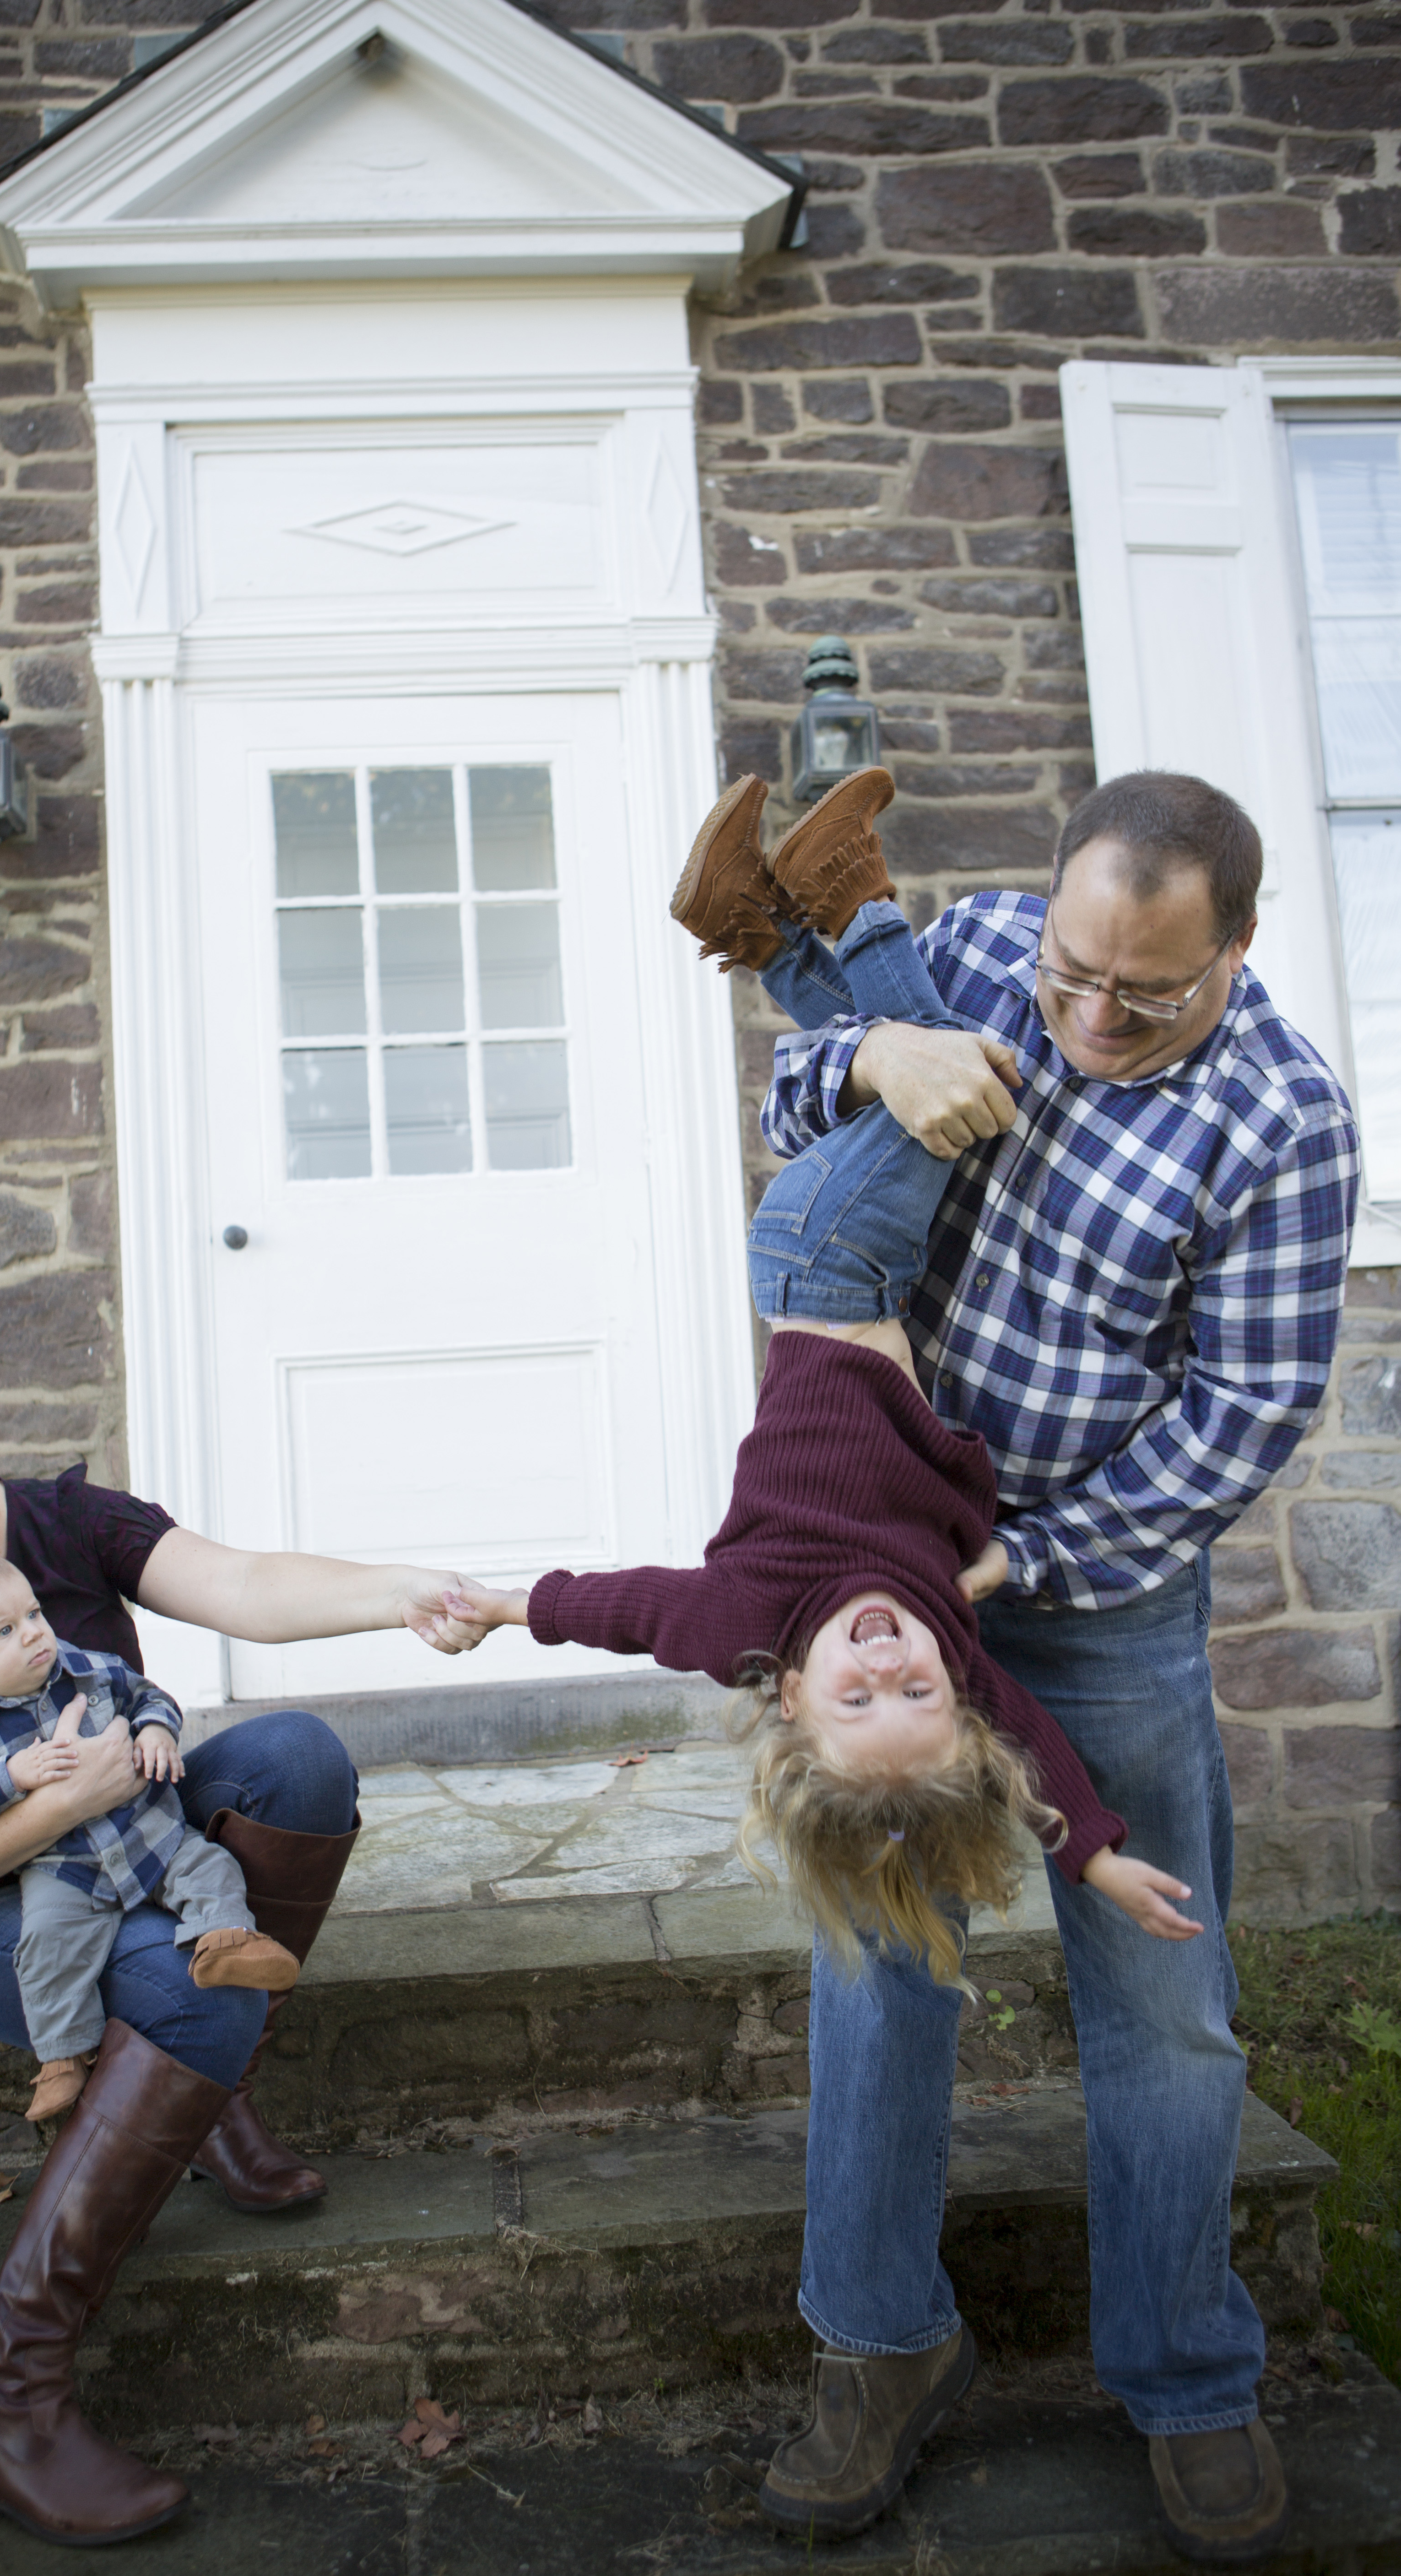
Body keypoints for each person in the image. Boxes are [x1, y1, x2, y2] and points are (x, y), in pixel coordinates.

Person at [668, 766, 1358, 2564]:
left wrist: (1024, 1559)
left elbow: (1239, 1417)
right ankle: (882, 2351)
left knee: (1163, 2002)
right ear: (1044, 902)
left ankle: (1188, 2374)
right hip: (890, 1581)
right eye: (1070, 973)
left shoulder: (1284, 1115)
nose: (1088, 1020)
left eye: (1146, 994)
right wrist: (869, 1061)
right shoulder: (972, 953)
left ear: (1237, 949)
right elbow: (808, 1104)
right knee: (875, 1974)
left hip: (1094, 1589)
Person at [457, 801, 1202, 2017]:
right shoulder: (953, 1648)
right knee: (959, 1092)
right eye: (914, 1694)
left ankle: (844, 896)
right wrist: (1099, 1854)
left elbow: (617, 1607)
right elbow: (1035, 1760)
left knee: (970, 1071)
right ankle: (753, 931)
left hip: (820, 1263)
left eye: (857, 1696)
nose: (890, 1666)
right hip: (868, 1278)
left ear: (790, 1699)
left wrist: (500, 1604)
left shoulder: (744, 1618)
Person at [0, 1384, 487, 2548]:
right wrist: (60, 1806)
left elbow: (237, 1584)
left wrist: (406, 1594)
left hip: (126, 1847)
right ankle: (8, 2406)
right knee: (191, 1982)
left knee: (294, 1758)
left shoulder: (59, 1520)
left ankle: (204, 2105)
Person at [0, 1554, 301, 2124]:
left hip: (149, 1832)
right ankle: (64, 2058)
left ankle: (227, 1941)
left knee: (212, 1865)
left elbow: (153, 1697)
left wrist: (154, 1730)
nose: (33, 1634)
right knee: (46, 1948)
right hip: (63, 1868)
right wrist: (15, 1775)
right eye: (4, 1631)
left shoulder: (93, 1671)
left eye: (33, 1613)